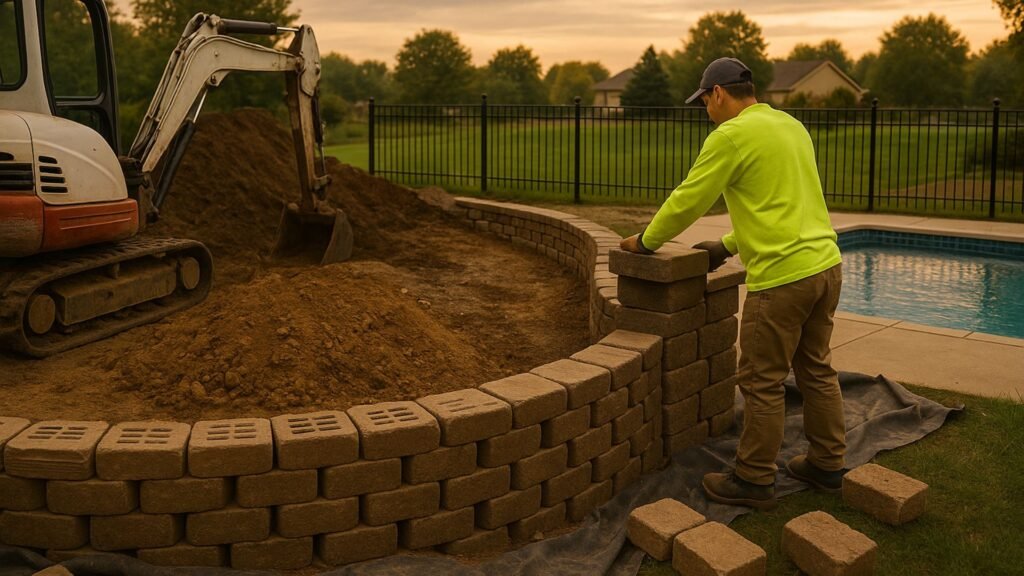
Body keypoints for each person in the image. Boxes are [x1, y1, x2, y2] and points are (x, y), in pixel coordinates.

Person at [619, 57, 847, 510]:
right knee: (816, 369)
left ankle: (754, 479)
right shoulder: (790, 127)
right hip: (826, 267)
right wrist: (726, 244)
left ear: (718, 93)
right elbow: (783, 203)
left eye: (705, 101)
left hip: (783, 280)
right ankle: (828, 464)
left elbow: (690, 198)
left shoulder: (730, 135)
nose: (706, 110)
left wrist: (646, 241)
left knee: (761, 381)